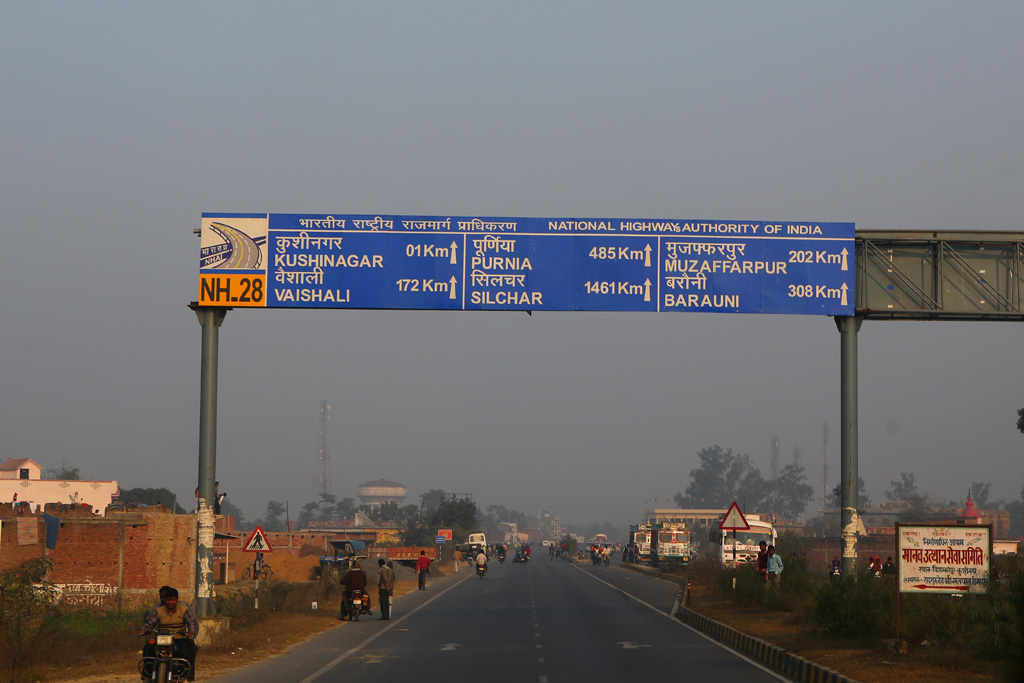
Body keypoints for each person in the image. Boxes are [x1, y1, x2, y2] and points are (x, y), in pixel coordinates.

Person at [137, 587, 199, 682]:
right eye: (168, 600)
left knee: (184, 651)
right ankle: (147, 675)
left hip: (178, 637)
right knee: (148, 649)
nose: (170, 602)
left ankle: (183, 674)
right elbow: (150, 623)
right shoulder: (159, 610)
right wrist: (144, 630)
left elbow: (191, 622)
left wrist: (191, 632)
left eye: (173, 600)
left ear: (177, 599)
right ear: (165, 600)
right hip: (162, 637)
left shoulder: (184, 609)